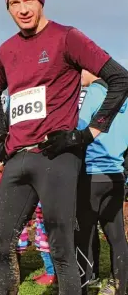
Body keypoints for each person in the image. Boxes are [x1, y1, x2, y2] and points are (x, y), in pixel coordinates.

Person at [0, 0, 128, 294]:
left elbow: (120, 78)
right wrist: (1, 135)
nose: (23, 10)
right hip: (17, 157)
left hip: (57, 156)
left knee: (61, 247)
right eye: (14, 3)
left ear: (41, 0)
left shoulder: (67, 37)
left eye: (28, 0)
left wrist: (86, 134)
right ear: (7, 6)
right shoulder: (6, 49)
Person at [75, 70, 128, 295]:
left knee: (83, 236)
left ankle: (83, 288)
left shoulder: (95, 93)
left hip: (92, 174)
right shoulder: (123, 96)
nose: (79, 72)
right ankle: (121, 288)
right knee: (116, 236)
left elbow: (80, 129)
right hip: (115, 175)